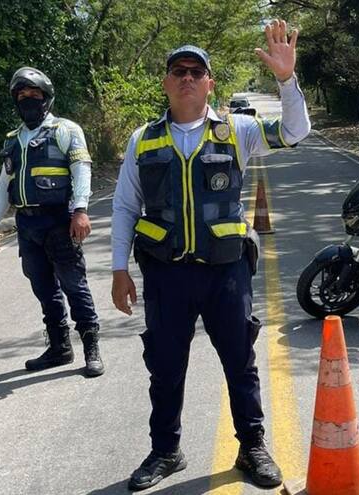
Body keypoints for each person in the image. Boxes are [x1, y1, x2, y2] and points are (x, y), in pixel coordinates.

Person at [111, 20, 310, 491]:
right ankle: (166, 451)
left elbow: (296, 132)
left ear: (209, 83)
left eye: (195, 72)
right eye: (177, 71)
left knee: (239, 360)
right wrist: (119, 269)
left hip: (225, 271)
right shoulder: (143, 140)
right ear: (165, 82)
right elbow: (124, 206)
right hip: (166, 273)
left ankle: (252, 446)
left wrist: (287, 79)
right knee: (164, 365)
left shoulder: (236, 130)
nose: (186, 78)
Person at [0, 67, 104, 378]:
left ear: (46, 99)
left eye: (34, 95)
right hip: (28, 224)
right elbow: (3, 183)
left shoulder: (65, 130)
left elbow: (81, 171)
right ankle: (60, 348)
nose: (28, 100)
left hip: (60, 220)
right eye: (21, 96)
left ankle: (91, 348)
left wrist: (80, 210)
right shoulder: (13, 140)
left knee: (74, 284)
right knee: (43, 287)